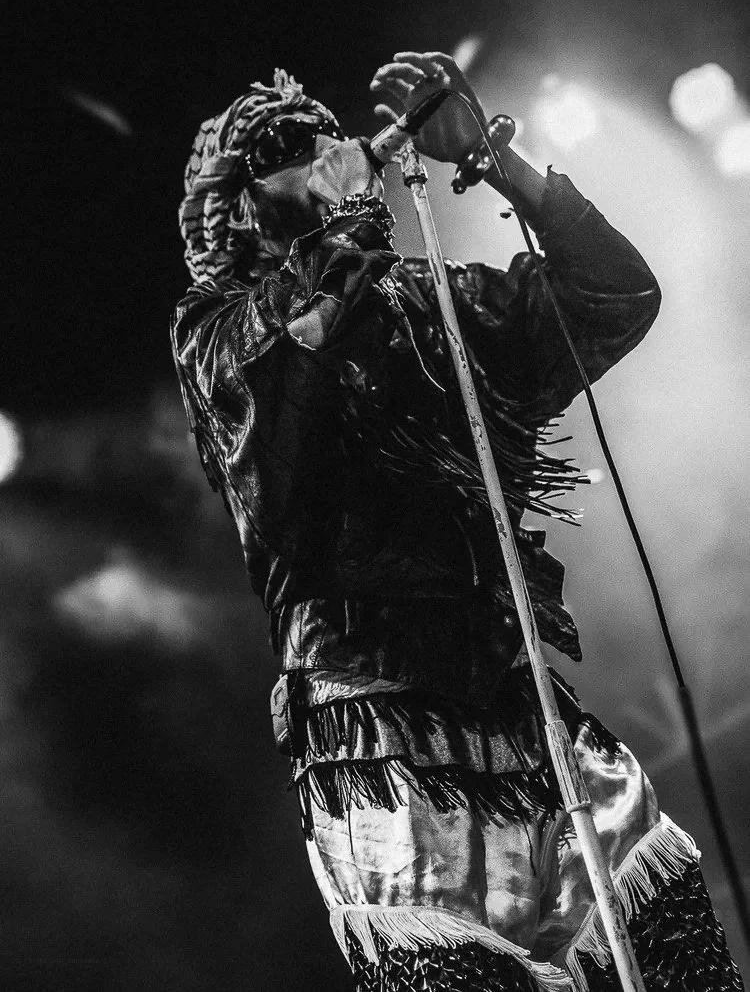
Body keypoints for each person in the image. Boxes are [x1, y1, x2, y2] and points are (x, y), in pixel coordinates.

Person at [171, 52, 743, 992]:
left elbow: (613, 298)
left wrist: (493, 159)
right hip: (385, 748)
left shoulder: (436, 301)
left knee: (685, 959)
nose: (321, 142)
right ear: (236, 207)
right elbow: (286, 421)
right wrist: (352, 212)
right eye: (283, 146)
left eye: (323, 127)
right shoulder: (218, 329)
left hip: (527, 721)